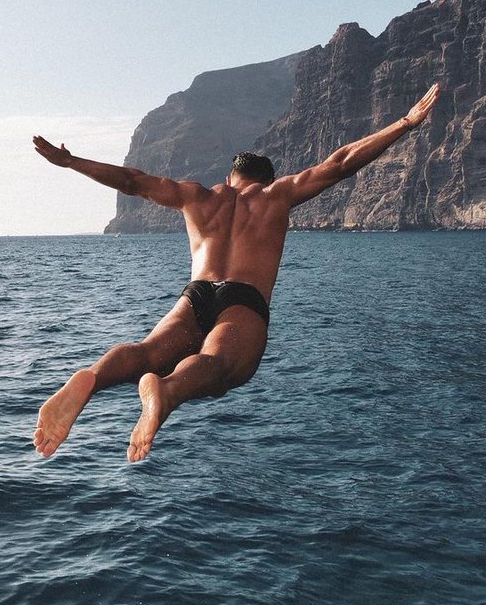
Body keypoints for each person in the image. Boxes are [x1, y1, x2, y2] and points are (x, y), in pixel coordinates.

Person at [32, 82, 440, 462]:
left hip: (196, 293)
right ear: (267, 179)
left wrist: (70, 161)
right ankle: (167, 391)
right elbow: (339, 164)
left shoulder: (197, 196)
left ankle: (90, 378)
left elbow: (132, 181)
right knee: (223, 365)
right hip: (242, 298)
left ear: (230, 178)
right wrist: (405, 123)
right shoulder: (277, 194)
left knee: (147, 352)